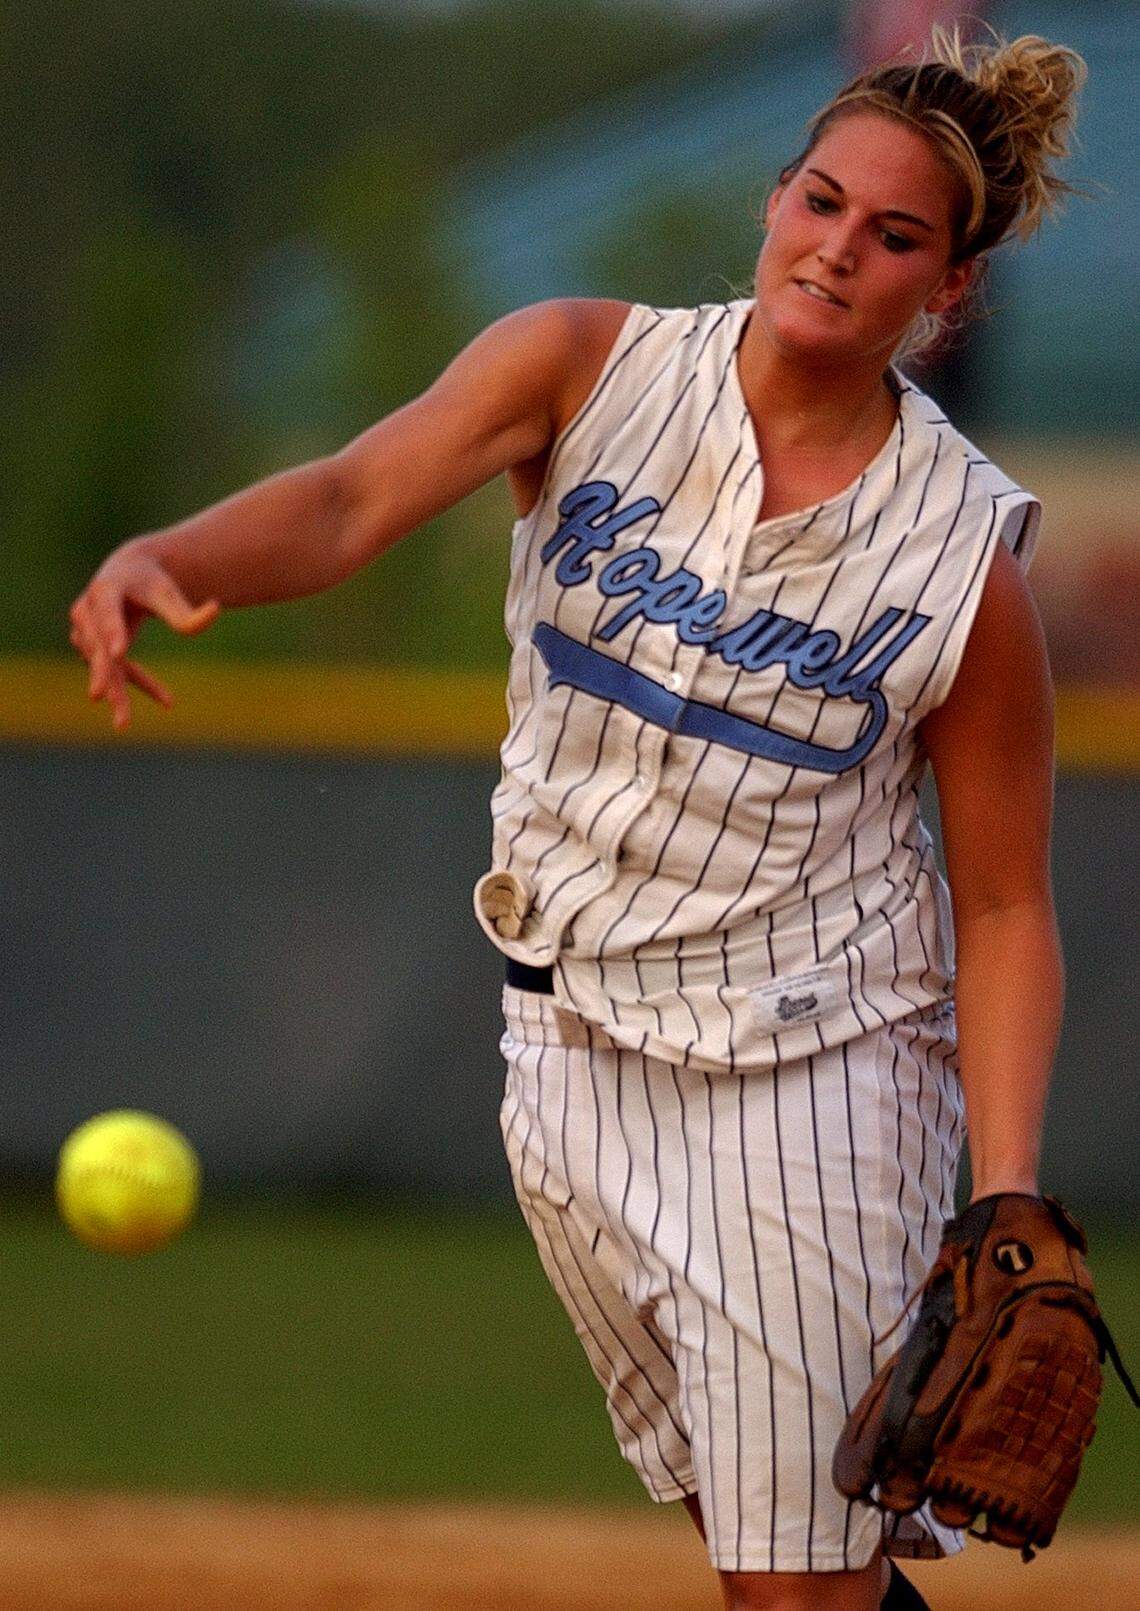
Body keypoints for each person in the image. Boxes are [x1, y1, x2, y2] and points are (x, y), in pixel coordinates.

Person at [69, 26, 1087, 1611]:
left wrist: (1006, 1189)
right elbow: (346, 498)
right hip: (561, 1060)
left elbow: (1008, 902)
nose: (839, 248)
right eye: (822, 202)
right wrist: (174, 555)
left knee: (792, 1584)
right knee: (772, 1566)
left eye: (896, 238)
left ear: (946, 294)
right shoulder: (586, 366)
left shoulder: (962, 562)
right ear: (774, 200)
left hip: (803, 1077)